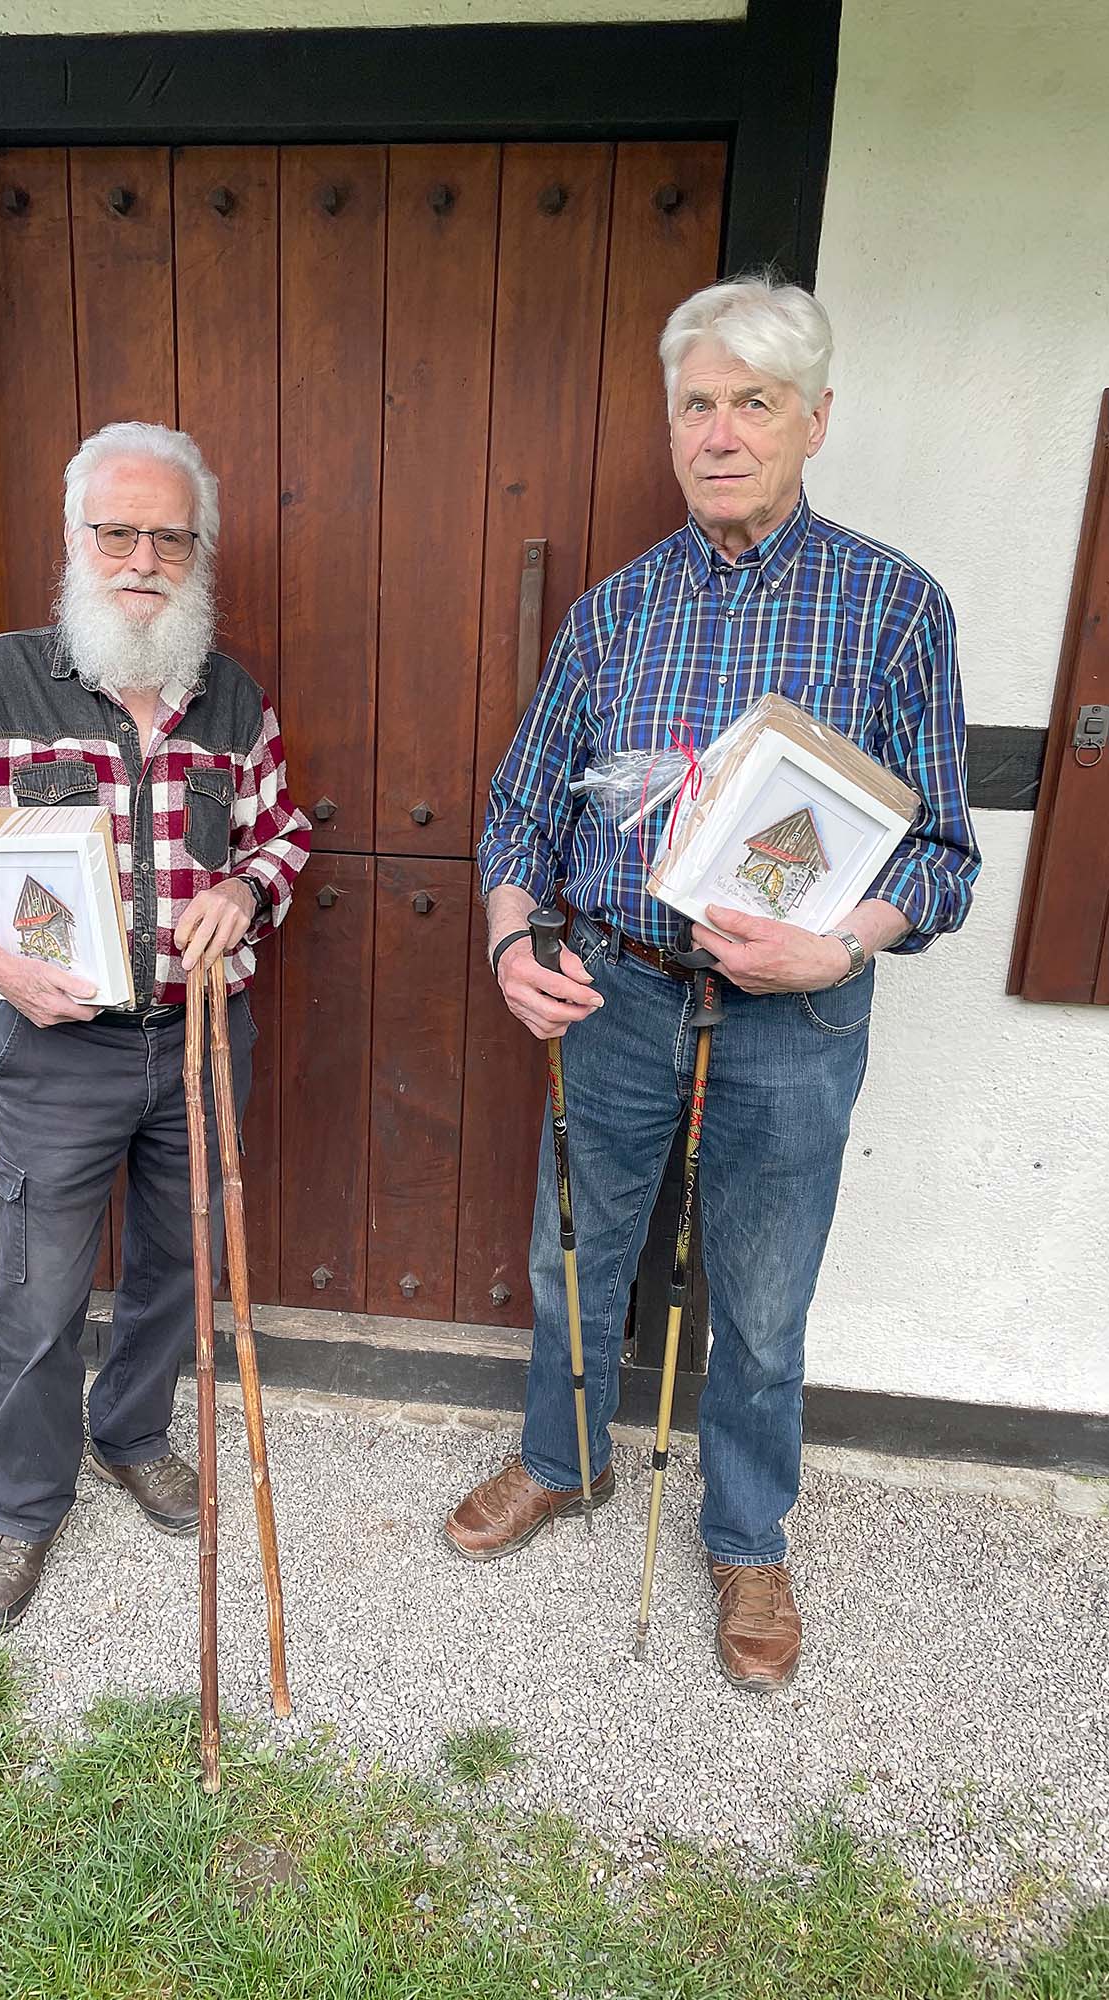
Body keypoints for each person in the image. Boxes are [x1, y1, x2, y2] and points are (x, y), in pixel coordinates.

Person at [447, 278, 979, 1690]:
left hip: (794, 1014)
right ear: (672, 423)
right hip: (617, 994)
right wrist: (509, 940)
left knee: (759, 1290)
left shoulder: (894, 608)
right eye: (698, 403)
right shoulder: (614, 613)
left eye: (755, 402)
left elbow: (944, 854)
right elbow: (521, 810)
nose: (722, 431)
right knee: (574, 1256)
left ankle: (747, 1537)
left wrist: (840, 943)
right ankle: (562, 1457)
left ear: (815, 420)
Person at [0, 420, 310, 1634]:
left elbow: (283, 836)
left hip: (200, 1036)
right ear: (75, 539)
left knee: (177, 1262)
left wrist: (245, 890)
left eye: (170, 537)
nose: (143, 560)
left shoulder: (233, 696)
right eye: (118, 533)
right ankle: (24, 1505)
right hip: (58, 1043)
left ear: (199, 552)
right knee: (40, 1282)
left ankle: (130, 1433)